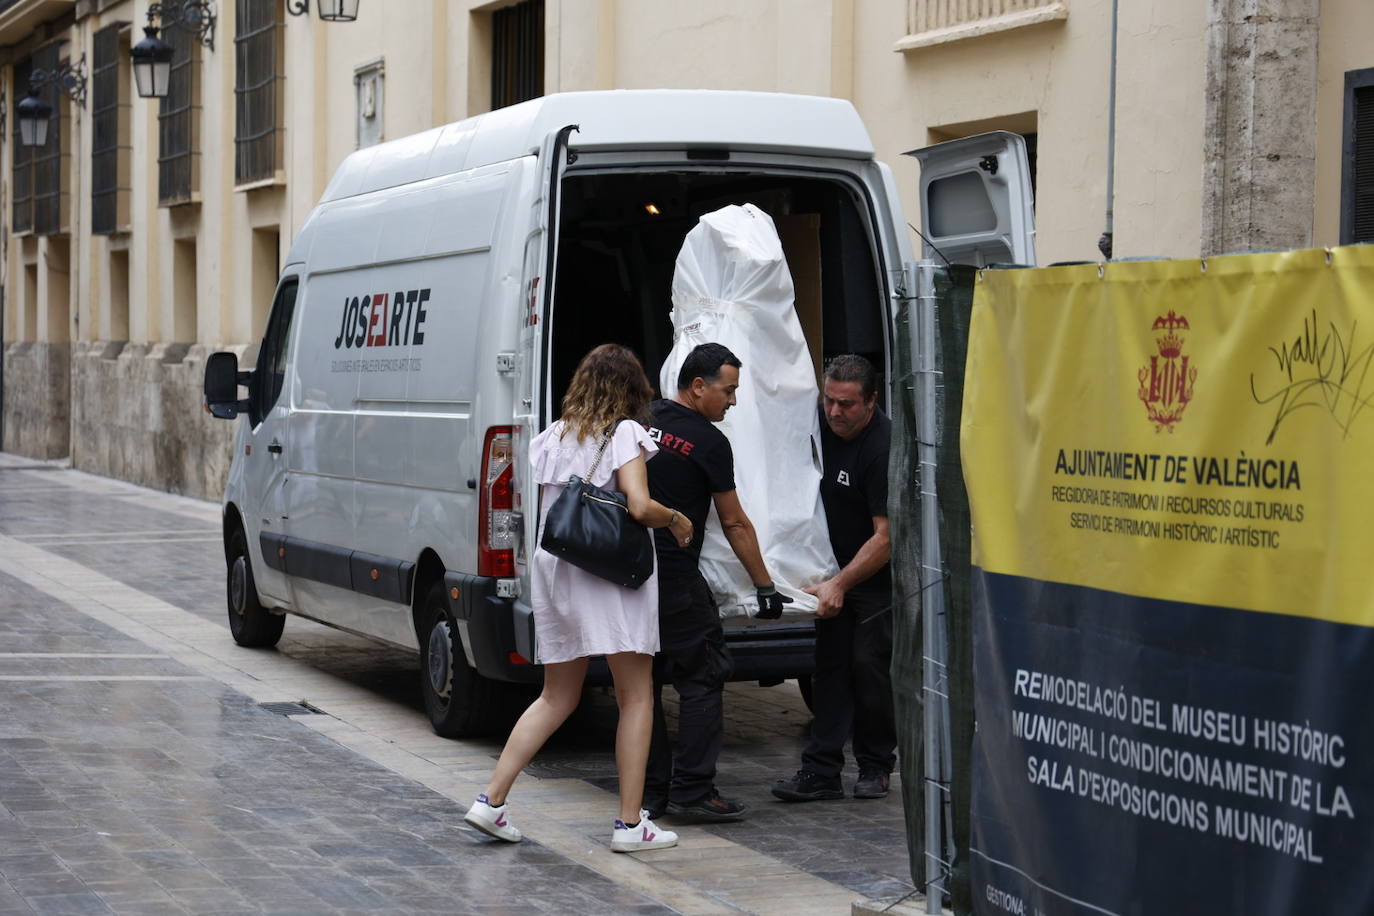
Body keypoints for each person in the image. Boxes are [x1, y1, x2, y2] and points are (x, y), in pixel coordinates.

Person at [465, 343, 695, 852]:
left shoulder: (553, 435)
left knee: (555, 695)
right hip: (608, 573)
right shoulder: (627, 432)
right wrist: (677, 519)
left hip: (559, 568)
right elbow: (637, 505)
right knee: (636, 695)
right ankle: (631, 825)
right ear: (634, 389)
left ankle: (491, 801)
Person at [643, 342, 790, 822]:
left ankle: (650, 790)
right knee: (703, 677)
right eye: (728, 391)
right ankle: (692, 790)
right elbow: (734, 523)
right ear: (699, 386)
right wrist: (765, 587)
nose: (732, 401)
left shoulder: (640, 420)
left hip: (627, 581)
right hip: (675, 582)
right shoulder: (708, 442)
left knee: (639, 686)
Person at [773, 354, 896, 802]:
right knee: (829, 671)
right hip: (829, 572)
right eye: (829, 402)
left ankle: (876, 765)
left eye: (846, 404)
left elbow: (886, 538)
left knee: (869, 670)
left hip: (873, 579)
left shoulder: (881, 448)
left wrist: (841, 584)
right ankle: (821, 771)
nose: (835, 413)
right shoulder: (820, 428)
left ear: (871, 402)